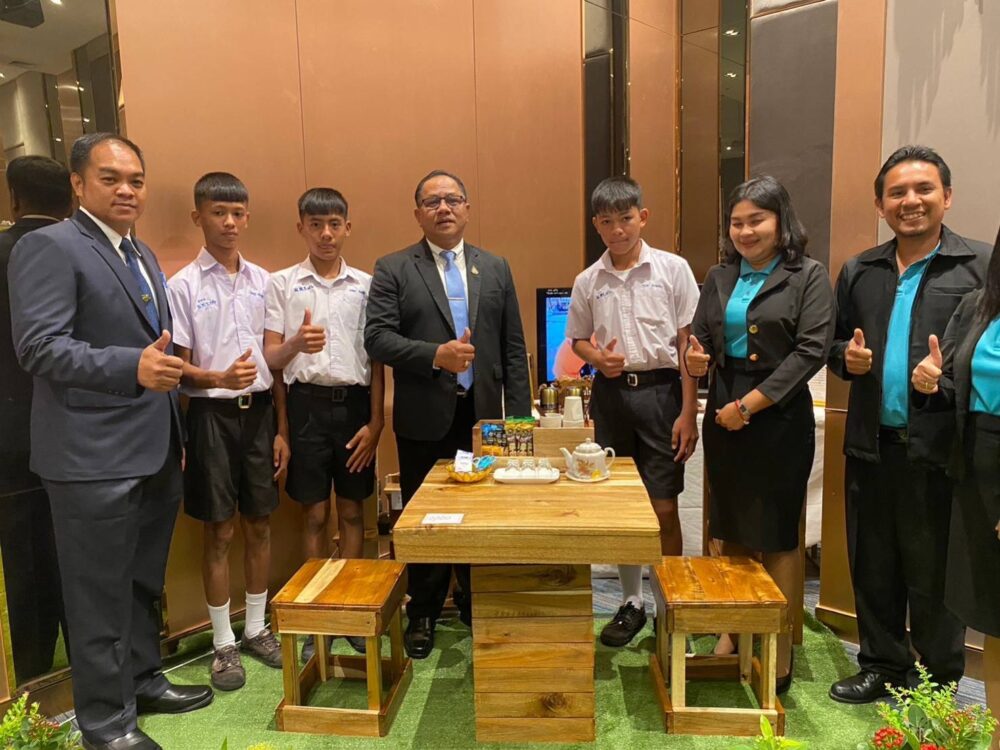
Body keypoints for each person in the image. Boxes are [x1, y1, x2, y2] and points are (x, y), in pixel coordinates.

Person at [8, 133, 212, 750]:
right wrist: (131, 367)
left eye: (136, 180)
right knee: (96, 594)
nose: (127, 190)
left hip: (152, 448)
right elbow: (38, 347)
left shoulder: (140, 252)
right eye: (111, 178)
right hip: (90, 457)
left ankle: (144, 679)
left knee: (141, 581)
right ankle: (105, 723)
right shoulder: (49, 246)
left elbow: (156, 348)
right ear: (77, 184)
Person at [827, 145, 990, 704]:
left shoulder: (979, 267)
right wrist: (845, 360)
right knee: (873, 564)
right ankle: (881, 664)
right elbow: (834, 345)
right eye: (896, 192)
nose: (910, 201)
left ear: (947, 196)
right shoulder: (860, 269)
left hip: (941, 451)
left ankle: (939, 681)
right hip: (870, 446)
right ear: (880, 204)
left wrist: (943, 381)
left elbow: (990, 358)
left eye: (923, 189)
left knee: (935, 574)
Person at [364, 169, 531, 658]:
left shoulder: (495, 267)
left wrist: (520, 422)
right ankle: (424, 610)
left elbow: (513, 348)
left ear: (467, 209)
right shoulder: (394, 268)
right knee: (427, 518)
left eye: (453, 199)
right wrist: (435, 355)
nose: (444, 208)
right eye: (432, 201)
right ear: (417, 213)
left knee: (482, 516)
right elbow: (377, 339)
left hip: (483, 419)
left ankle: (478, 601)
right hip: (424, 418)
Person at [686, 175, 833, 693]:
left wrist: (747, 407)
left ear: (780, 221)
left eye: (757, 220)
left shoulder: (808, 275)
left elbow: (811, 350)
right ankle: (733, 631)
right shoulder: (719, 275)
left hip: (778, 416)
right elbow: (701, 338)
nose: (745, 231)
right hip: (723, 410)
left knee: (776, 536)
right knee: (730, 530)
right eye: (737, 222)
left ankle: (777, 648)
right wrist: (696, 358)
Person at [566, 176, 699, 647]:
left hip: (663, 394)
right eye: (607, 222)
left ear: (642, 217)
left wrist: (689, 411)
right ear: (596, 225)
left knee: (663, 506)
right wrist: (596, 359)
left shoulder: (673, 269)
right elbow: (577, 339)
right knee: (623, 507)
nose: (617, 229)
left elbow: (687, 344)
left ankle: (670, 604)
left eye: (625, 218)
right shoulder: (588, 280)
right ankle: (632, 603)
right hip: (611, 396)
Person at [168, 172, 289, 691]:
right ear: (198, 217)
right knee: (218, 531)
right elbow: (177, 368)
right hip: (210, 418)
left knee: (259, 523)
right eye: (219, 213)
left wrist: (281, 428)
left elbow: (275, 364)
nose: (230, 222)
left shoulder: (265, 281)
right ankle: (223, 643)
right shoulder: (183, 285)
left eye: (238, 213)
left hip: (260, 415)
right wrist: (217, 378)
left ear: (248, 217)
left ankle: (257, 628)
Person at [264, 187, 383, 657]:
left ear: (348, 227)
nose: (326, 234)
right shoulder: (282, 284)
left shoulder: (368, 285)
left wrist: (376, 423)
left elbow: (378, 362)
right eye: (316, 225)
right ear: (301, 228)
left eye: (334, 224)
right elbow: (272, 360)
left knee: (353, 511)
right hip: (305, 408)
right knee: (313, 513)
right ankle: (316, 616)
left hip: (354, 408)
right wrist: (296, 344)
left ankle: (350, 608)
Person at [911, 226, 1000, 745]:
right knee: (992, 616)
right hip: (977, 471)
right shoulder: (978, 307)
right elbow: (950, 384)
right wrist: (931, 382)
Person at [0, 155, 73, 685]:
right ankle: (85, 656)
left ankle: (29, 670)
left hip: (9, 431)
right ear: (72, 197)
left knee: (22, 553)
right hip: (75, 425)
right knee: (74, 545)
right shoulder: (81, 254)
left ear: (13, 198)